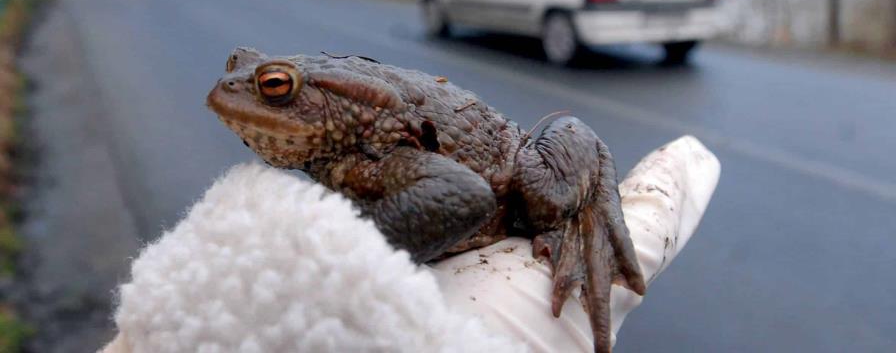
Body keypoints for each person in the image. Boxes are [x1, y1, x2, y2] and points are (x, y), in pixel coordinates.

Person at [102, 135, 719, 352]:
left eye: (274, 87)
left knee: (544, 187)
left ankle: (586, 215)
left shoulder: (372, 155)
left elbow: (469, 194)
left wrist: (354, 264)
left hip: (505, 175)